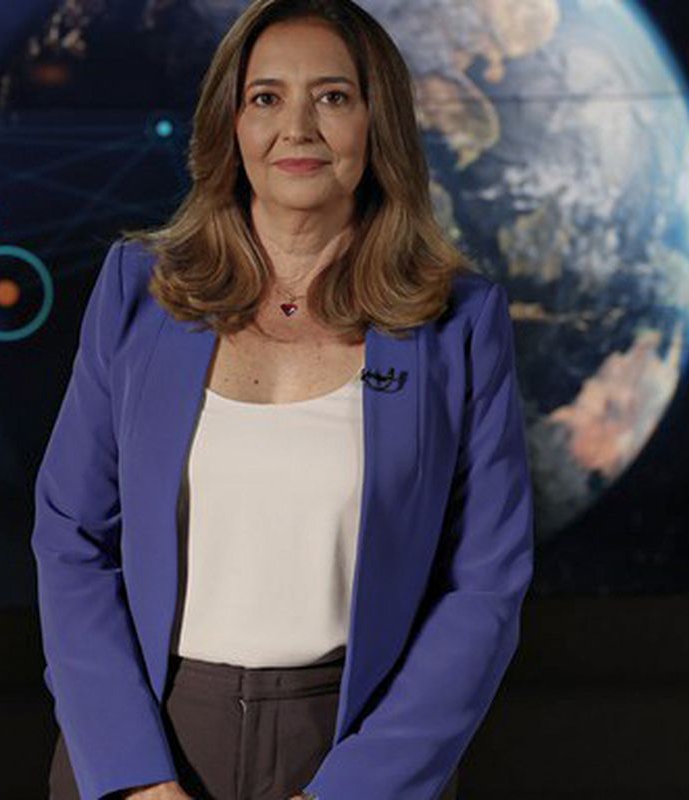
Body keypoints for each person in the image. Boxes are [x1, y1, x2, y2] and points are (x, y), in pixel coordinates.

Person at [31, 0, 533, 797]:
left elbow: (484, 586)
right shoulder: (139, 292)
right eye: (266, 97)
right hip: (146, 739)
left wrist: (354, 789)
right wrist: (135, 778)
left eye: (332, 97)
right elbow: (71, 539)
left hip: (352, 746)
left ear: (377, 123)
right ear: (230, 124)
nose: (297, 128)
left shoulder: (459, 324)